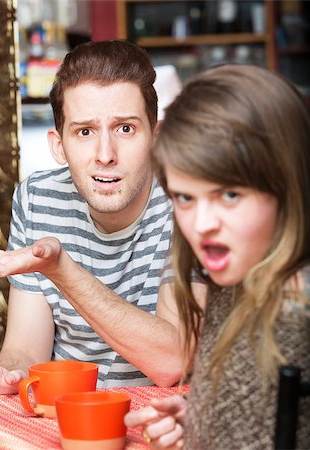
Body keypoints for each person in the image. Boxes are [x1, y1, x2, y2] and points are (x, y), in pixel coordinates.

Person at [0, 40, 199, 407]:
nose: (105, 155)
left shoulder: (187, 200)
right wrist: (8, 375)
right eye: (85, 132)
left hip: (160, 417)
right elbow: (25, 348)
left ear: (157, 138)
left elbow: (171, 360)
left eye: (125, 129)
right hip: (65, 415)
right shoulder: (37, 198)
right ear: (59, 146)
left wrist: (60, 269)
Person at [125, 64, 310, 449]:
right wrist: (199, 420)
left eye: (229, 195)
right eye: (185, 198)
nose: (202, 224)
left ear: (288, 184)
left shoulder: (298, 307)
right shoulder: (236, 277)